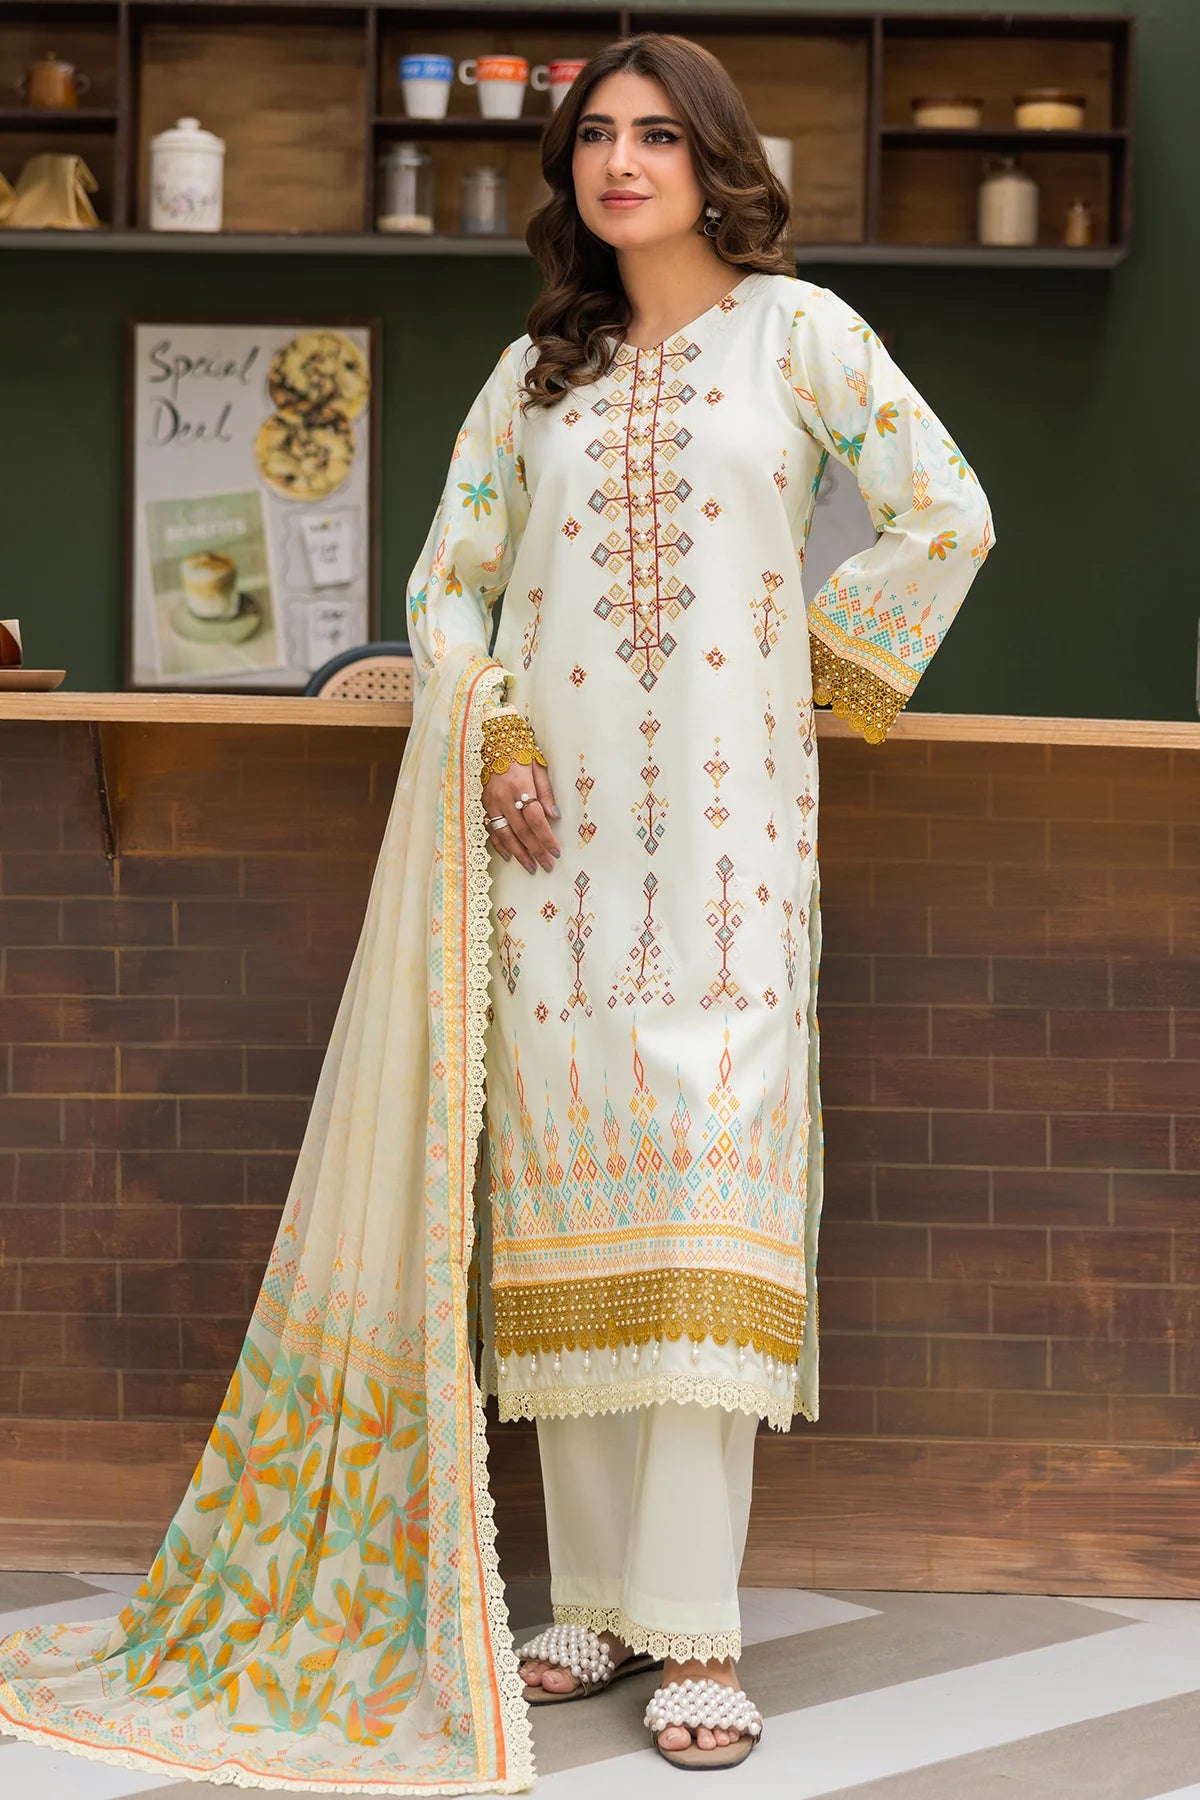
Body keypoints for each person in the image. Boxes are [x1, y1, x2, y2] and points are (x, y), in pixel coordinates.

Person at [404, 29, 995, 1774]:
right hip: (554, 866)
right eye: (597, 134)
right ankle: (595, 1606)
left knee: (699, 1222)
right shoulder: (535, 375)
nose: (623, 161)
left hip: (731, 865)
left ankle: (698, 1628)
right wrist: (495, 724)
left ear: (714, 158)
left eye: (659, 134)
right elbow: (448, 585)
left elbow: (947, 514)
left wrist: (806, 673)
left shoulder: (800, 334)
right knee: (571, 1219)